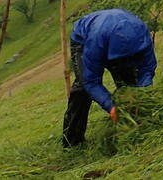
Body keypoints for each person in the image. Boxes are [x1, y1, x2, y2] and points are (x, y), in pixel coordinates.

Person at [62, 8, 157, 148]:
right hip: (84, 40)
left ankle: (135, 128)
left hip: (113, 37)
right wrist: (110, 106)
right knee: (83, 88)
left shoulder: (142, 35)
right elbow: (91, 81)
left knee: (129, 84)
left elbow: (147, 68)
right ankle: (72, 142)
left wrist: (142, 91)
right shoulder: (96, 41)